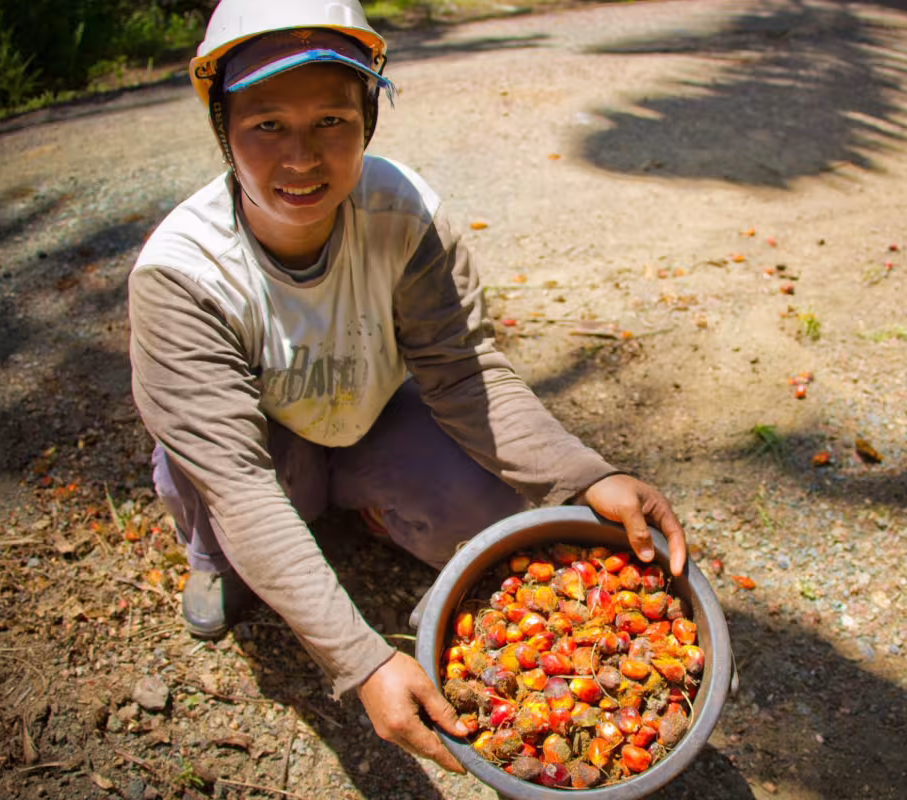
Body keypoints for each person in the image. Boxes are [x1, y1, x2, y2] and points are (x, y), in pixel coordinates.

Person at [126, 0, 687, 774]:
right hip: (260, 457)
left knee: (503, 528)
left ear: (368, 120)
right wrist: (361, 661)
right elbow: (239, 483)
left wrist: (588, 474)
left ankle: (357, 505)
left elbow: (464, 373)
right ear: (222, 127)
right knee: (223, 494)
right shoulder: (181, 276)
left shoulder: (402, 214)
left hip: (370, 418)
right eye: (266, 126)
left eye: (332, 121)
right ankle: (219, 562)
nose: (301, 159)